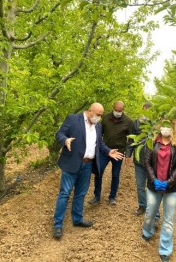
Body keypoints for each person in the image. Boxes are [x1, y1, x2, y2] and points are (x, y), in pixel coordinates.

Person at [53, 102, 124, 239]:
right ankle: (58, 224)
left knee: (81, 193)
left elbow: (99, 143)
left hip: (87, 165)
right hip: (72, 163)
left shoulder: (97, 125)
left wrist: (108, 151)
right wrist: (65, 140)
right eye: (98, 115)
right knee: (65, 193)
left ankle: (77, 218)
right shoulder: (73, 119)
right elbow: (60, 134)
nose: (99, 118)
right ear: (90, 111)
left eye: (101, 115)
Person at [142, 118, 176, 262]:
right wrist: (154, 180)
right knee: (150, 212)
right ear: (159, 127)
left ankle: (165, 250)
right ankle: (147, 231)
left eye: (168, 126)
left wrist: (168, 182)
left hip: (171, 188)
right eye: (163, 126)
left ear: (173, 128)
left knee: (168, 219)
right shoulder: (152, 141)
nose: (165, 129)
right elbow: (146, 162)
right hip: (154, 185)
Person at [88, 101, 133, 205]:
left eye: (120, 111)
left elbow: (131, 138)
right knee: (99, 172)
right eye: (116, 110)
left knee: (115, 174)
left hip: (119, 151)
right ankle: (97, 196)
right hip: (105, 150)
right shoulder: (106, 118)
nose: (117, 112)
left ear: (123, 110)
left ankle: (112, 197)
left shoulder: (128, 121)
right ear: (113, 108)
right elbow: (99, 132)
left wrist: (128, 153)